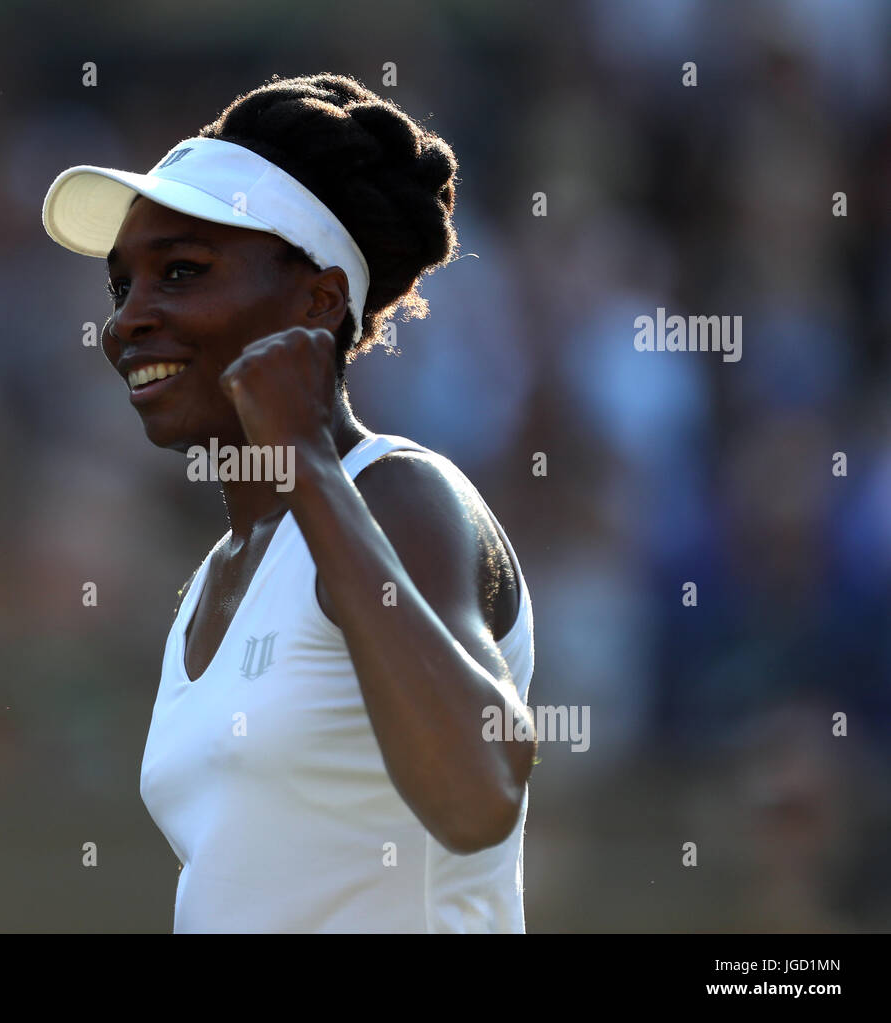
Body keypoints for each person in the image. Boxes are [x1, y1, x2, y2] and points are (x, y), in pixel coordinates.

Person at [42, 72, 537, 932]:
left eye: (182, 272)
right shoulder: (210, 582)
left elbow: (476, 794)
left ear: (318, 301)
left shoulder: (400, 492)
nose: (126, 322)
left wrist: (302, 450)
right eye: (122, 287)